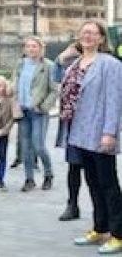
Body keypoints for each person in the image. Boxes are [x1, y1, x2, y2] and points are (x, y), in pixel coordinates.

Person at [64, 20, 122, 254]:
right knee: (92, 182)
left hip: (100, 132)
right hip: (79, 132)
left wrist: (110, 132)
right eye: (84, 32)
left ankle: (118, 233)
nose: (87, 36)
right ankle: (100, 227)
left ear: (101, 38)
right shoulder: (75, 64)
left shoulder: (110, 64)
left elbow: (115, 100)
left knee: (108, 184)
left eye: (92, 33)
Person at [10, 36, 56, 192]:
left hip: (38, 111)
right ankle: (29, 178)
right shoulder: (20, 65)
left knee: (39, 145)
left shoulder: (48, 65)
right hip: (22, 110)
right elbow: (14, 84)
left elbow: (55, 89)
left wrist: (44, 106)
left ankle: (48, 174)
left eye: (34, 46)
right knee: (26, 147)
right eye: (28, 46)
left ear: (41, 48)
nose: (31, 49)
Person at [53, 41, 83, 221]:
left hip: (90, 122)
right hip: (72, 121)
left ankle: (104, 214)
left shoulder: (101, 63)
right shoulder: (71, 66)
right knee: (74, 167)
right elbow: (56, 77)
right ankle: (72, 204)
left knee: (97, 173)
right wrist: (61, 58)